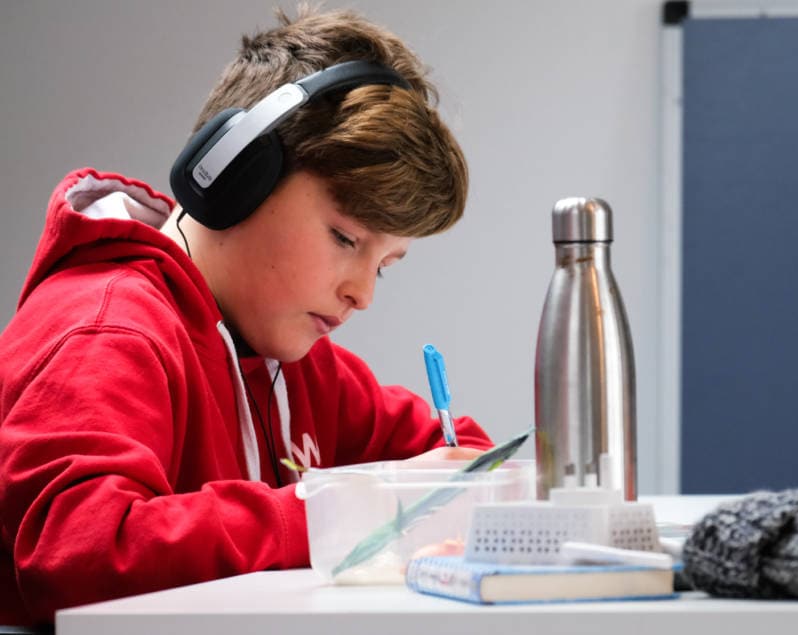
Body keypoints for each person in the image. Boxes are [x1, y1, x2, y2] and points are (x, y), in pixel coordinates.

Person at [0, 6, 491, 627]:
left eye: (385, 264)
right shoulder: (107, 330)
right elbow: (80, 551)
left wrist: (462, 481)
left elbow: (460, 457)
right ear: (236, 179)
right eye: (345, 239)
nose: (362, 293)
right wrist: (337, 512)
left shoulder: (296, 363)